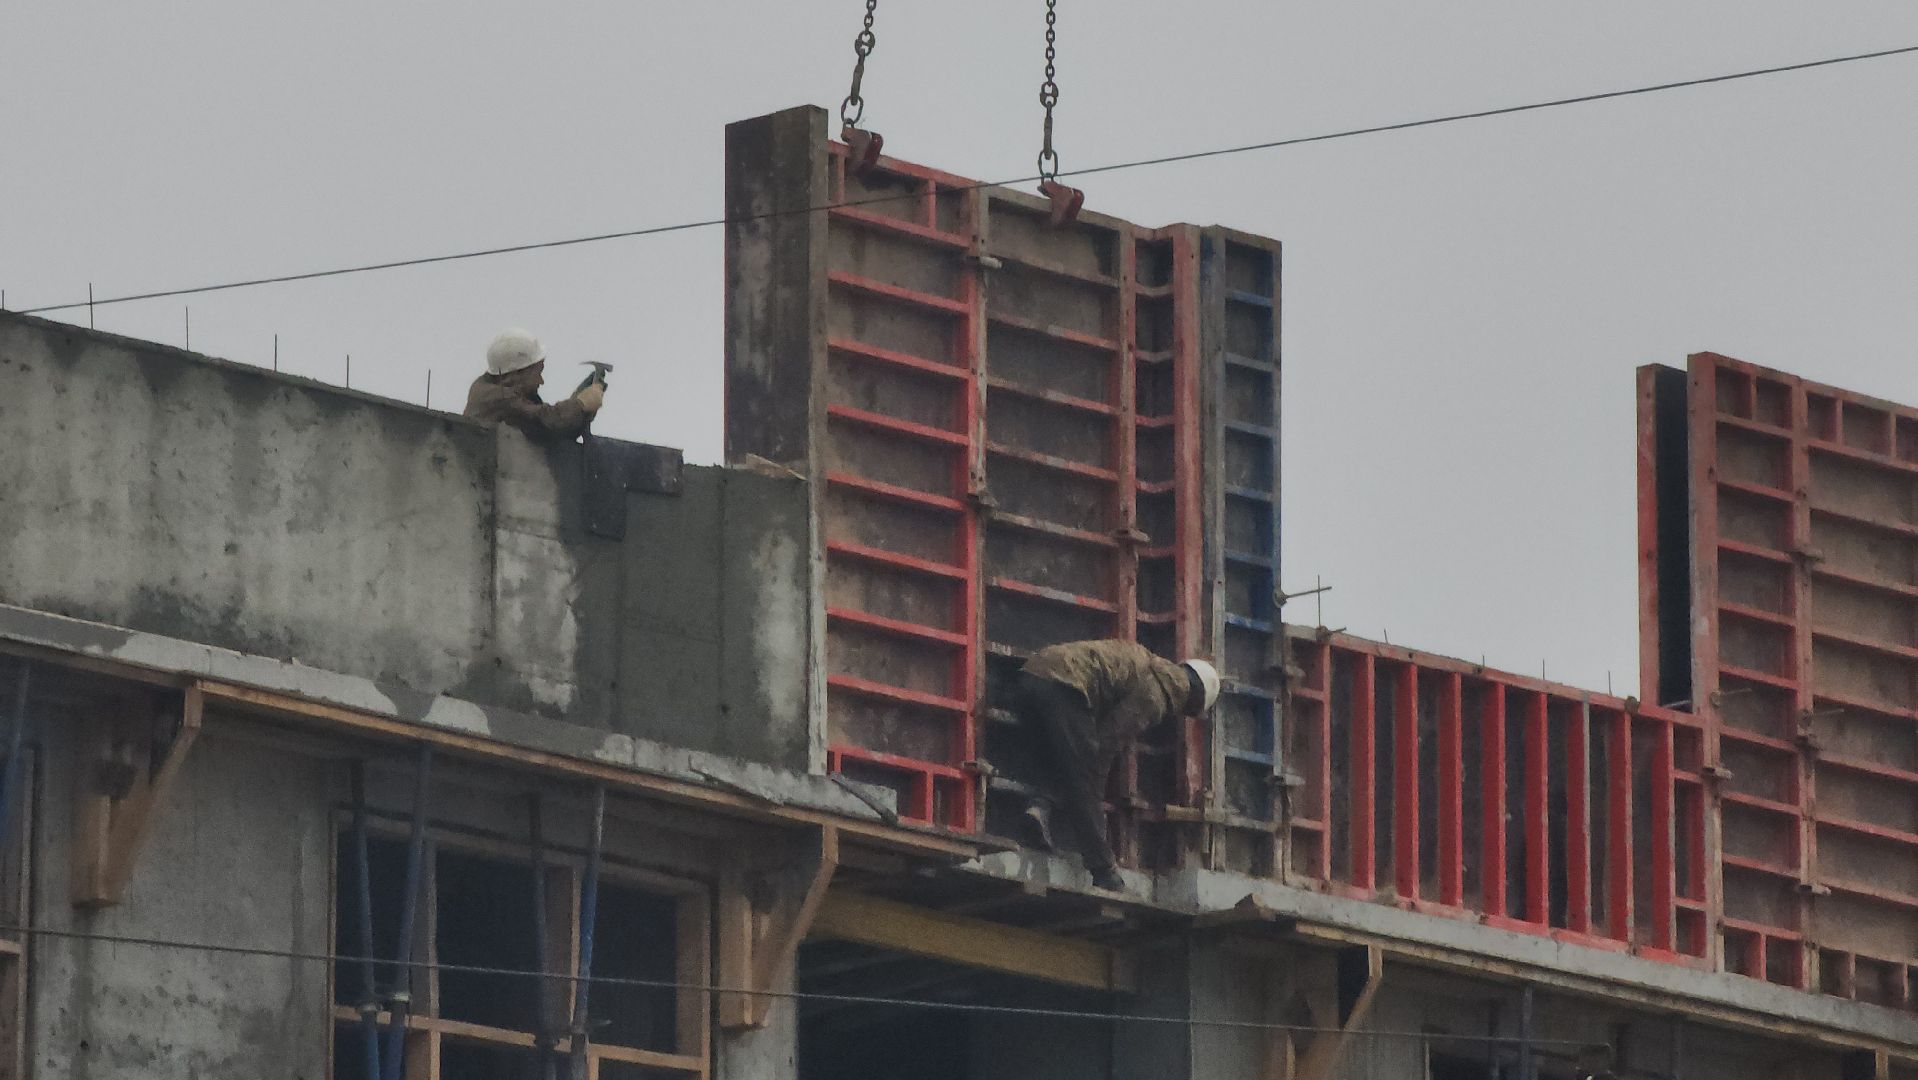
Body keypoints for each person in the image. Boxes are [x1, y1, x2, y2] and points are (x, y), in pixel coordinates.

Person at [1010, 640, 1220, 890]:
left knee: (1062, 758)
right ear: (1193, 700)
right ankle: (1104, 872)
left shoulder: (1145, 660)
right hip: (1065, 688)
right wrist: (1093, 783)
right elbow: (1109, 739)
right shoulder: (1158, 693)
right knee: (1085, 780)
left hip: (1031, 676)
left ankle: (1038, 807)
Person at [463, 328, 605, 440]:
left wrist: (582, 410)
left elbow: (554, 433)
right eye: (538, 373)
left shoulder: (502, 393)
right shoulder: (497, 397)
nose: (541, 381)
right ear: (517, 374)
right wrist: (580, 404)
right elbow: (546, 421)